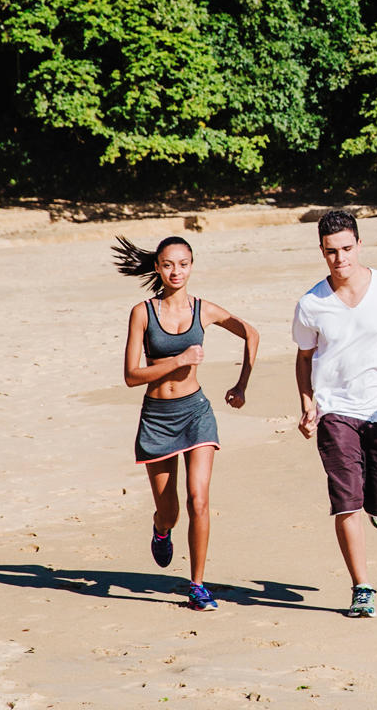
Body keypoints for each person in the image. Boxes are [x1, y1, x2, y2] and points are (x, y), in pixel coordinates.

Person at [114, 234, 259, 612]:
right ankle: (161, 530)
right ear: (157, 268)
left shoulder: (204, 310)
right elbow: (132, 375)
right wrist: (179, 360)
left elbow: (251, 333)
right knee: (170, 510)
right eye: (167, 264)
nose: (175, 271)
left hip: (196, 413)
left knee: (200, 499)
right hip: (158, 419)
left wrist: (241, 384)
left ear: (191, 267)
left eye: (182, 264)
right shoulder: (142, 312)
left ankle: (197, 584)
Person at [291, 209, 377, 618]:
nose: (340, 258)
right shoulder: (311, 303)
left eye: (347, 249)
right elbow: (303, 356)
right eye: (331, 252)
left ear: (360, 245)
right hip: (336, 411)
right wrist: (308, 402)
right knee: (345, 499)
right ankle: (361, 586)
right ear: (322, 252)